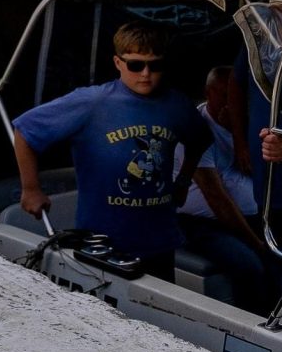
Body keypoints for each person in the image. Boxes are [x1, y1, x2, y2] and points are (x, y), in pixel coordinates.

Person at [12, 20, 208, 278]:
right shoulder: (91, 102)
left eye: (155, 65)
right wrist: (30, 188)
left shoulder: (177, 104)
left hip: (160, 241)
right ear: (118, 62)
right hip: (101, 244)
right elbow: (25, 131)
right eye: (136, 65)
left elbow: (199, 139)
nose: (145, 74)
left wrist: (183, 180)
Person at [177, 65, 282, 311]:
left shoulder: (247, 128)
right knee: (249, 265)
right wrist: (257, 243)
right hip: (201, 223)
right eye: (222, 95)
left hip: (252, 215)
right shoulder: (196, 129)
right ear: (208, 93)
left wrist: (238, 130)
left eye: (234, 97)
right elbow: (217, 198)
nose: (228, 103)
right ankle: (252, 323)